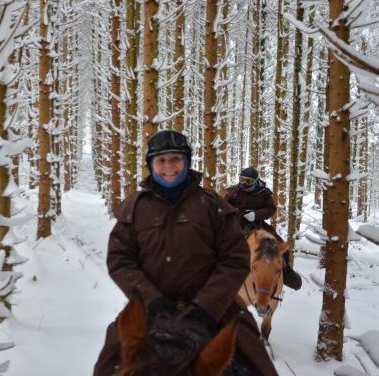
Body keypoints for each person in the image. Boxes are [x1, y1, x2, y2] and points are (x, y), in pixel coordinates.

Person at [93, 130, 278, 376]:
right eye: (161, 160)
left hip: (215, 309)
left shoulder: (213, 205)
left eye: (175, 159)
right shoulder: (136, 207)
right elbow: (119, 260)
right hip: (151, 309)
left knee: (257, 360)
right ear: (151, 165)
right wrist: (151, 301)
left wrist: (205, 307)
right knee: (107, 364)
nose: (168, 166)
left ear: (187, 161)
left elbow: (234, 260)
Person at [225, 166, 302, 290]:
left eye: (248, 181)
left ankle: (286, 272)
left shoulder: (264, 193)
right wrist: (237, 212)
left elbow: (271, 208)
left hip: (258, 225)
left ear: (256, 181)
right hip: (236, 223)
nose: (244, 184)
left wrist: (256, 215)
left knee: (280, 246)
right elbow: (224, 207)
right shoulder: (233, 191)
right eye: (242, 180)